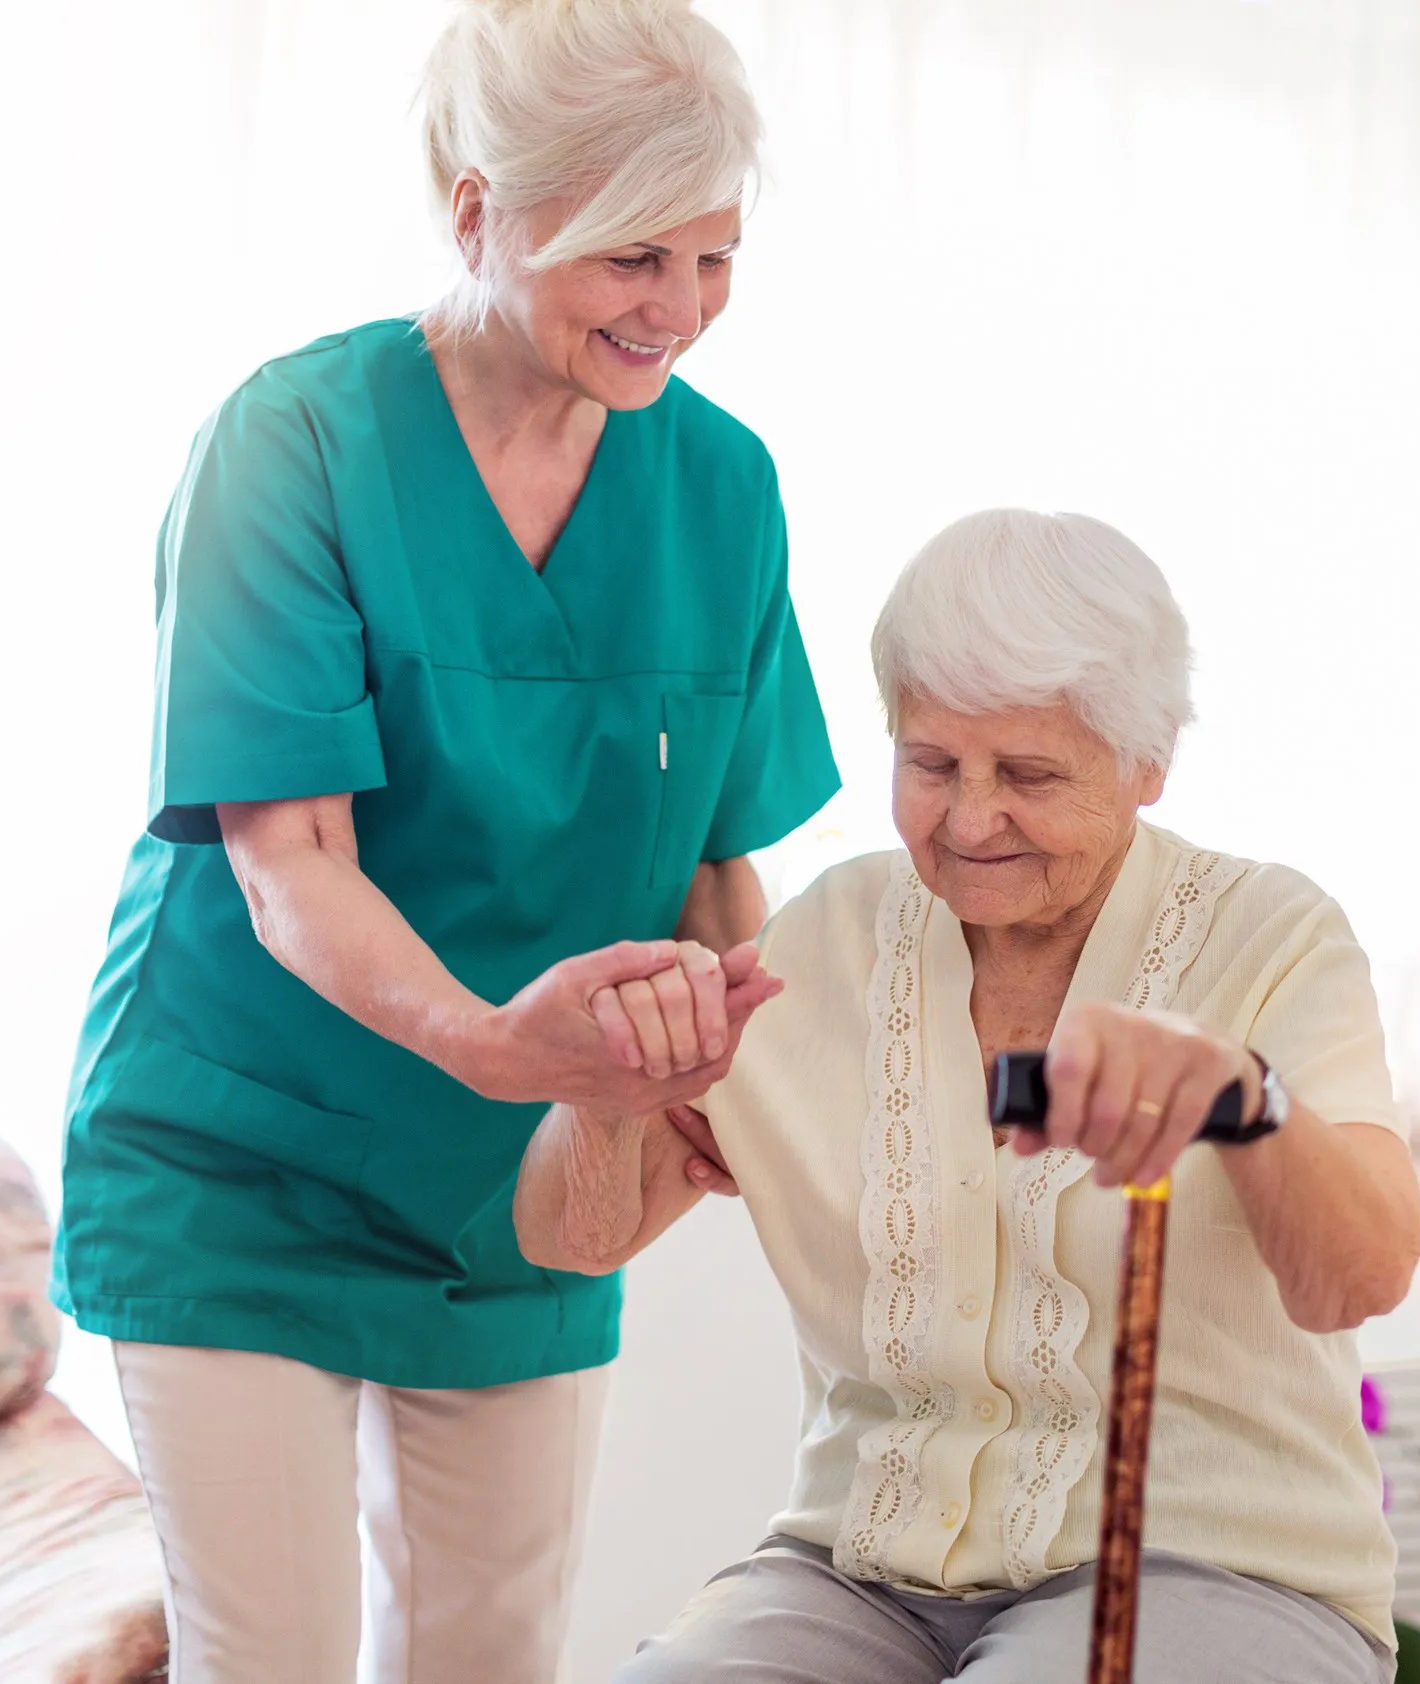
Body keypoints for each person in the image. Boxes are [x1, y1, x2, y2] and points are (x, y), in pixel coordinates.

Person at [49, 3, 836, 1679]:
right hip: (243, 1159)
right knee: (268, 1653)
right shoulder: (295, 445)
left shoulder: (725, 489)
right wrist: (495, 1042)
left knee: (490, 1652)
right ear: (479, 212)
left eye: (714, 256)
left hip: (536, 1184)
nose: (679, 311)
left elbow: (714, 868)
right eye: (634, 255)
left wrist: (716, 1071)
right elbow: (290, 862)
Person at [517, 509, 1420, 1683]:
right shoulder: (829, 938)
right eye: (932, 763)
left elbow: (1360, 1275)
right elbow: (570, 1240)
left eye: (1031, 774)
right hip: (857, 1576)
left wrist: (1241, 1099)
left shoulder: (1271, 936)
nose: (969, 816)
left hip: (1211, 1572)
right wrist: (612, 1090)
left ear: (1147, 765)